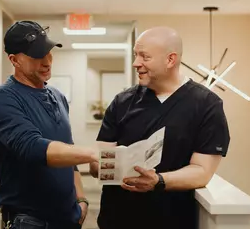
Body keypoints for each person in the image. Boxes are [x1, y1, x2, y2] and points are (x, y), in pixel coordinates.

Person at [90, 26, 230, 229]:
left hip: (171, 219)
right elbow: (97, 161)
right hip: (117, 218)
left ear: (170, 60)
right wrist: (104, 164)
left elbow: (202, 170)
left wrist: (159, 181)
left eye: (144, 57)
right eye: (136, 55)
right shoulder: (122, 102)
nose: (136, 63)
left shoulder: (207, 105)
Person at [0, 21, 98, 229]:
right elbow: (33, 148)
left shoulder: (58, 96)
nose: (47, 61)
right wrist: (93, 154)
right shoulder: (4, 98)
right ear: (14, 60)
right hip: (30, 222)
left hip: (67, 218)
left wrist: (81, 199)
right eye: (37, 56)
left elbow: (68, 151)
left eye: (48, 52)